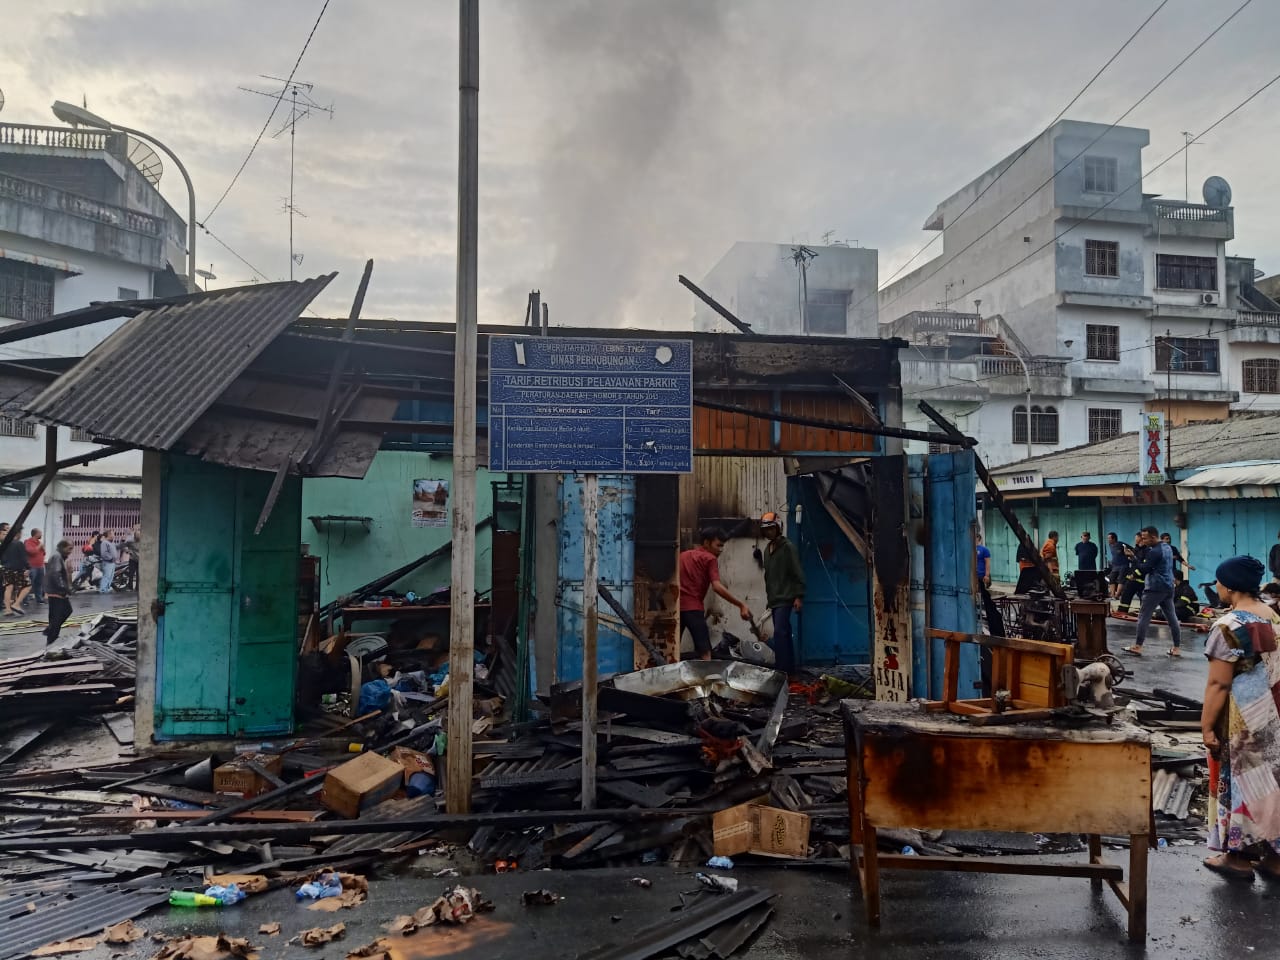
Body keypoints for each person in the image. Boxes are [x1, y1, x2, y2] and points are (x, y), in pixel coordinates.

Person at [1199, 555, 1280, 881]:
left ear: (1229, 586)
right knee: (1273, 784)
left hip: (1243, 721)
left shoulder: (1228, 626)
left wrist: (1205, 726)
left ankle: (1239, 857)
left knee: (1245, 784)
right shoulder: (1273, 617)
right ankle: (1274, 859)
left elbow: (1219, 683)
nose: (1217, 587)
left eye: (1219, 582)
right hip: (1275, 716)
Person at [679, 526, 751, 661]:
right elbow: (717, 586)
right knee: (705, 653)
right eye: (718, 545)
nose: (720, 550)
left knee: (673, 650)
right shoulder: (710, 559)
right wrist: (741, 604)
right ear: (706, 543)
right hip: (694, 608)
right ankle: (708, 681)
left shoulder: (682, 556)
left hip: (677, 609)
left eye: (722, 546)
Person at [1123, 526, 1182, 657]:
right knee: (1172, 617)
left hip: (1155, 588)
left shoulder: (1154, 552)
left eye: (1145, 538)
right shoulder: (1167, 547)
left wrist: (1133, 558)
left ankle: (1138, 646)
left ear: (1154, 537)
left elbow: (1145, 568)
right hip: (1168, 586)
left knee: (1144, 616)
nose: (1143, 541)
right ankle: (1176, 648)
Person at [760, 511, 805, 676]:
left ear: (778, 528)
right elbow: (768, 576)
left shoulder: (788, 547)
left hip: (786, 597)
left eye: (771, 529)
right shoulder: (767, 550)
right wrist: (769, 599)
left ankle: (782, 670)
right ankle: (788, 670)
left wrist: (799, 596)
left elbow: (797, 572)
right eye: (766, 530)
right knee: (783, 633)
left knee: (780, 632)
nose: (769, 532)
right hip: (775, 599)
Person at [43, 540, 74, 646]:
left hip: (57, 590)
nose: (70, 551)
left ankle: (50, 630)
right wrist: (63, 588)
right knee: (56, 617)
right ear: (62, 547)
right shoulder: (57, 557)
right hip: (56, 591)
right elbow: (56, 574)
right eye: (69, 548)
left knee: (66, 611)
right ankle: (51, 637)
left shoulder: (60, 557)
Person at [2, 527, 31, 616]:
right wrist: (28, 568)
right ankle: (16, 604)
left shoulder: (4, 544)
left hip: (6, 568)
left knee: (8, 588)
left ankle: (8, 609)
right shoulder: (19, 544)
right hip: (17, 569)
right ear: (17, 534)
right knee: (27, 586)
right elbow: (24, 558)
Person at [24, 528, 46, 605]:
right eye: (40, 533)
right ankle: (25, 601)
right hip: (32, 567)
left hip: (40, 566)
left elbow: (43, 553)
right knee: (28, 584)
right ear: (35, 534)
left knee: (39, 584)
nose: (41, 535)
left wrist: (42, 548)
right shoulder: (28, 542)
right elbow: (31, 551)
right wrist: (40, 546)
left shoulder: (39, 542)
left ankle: (39, 599)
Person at [1106, 532, 1129, 600]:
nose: (1108, 540)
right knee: (1111, 579)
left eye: (1109, 538)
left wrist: (1127, 554)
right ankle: (1112, 595)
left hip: (1123, 565)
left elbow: (1132, 550)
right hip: (1115, 566)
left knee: (1120, 580)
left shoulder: (1121, 544)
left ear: (1114, 539)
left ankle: (1117, 595)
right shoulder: (1110, 545)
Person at [97, 530, 118, 594]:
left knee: (110, 576)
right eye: (113, 534)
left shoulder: (111, 543)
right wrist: (111, 558)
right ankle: (103, 589)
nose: (114, 536)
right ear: (109, 535)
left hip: (112, 562)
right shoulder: (105, 543)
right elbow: (104, 553)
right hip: (107, 562)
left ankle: (106, 588)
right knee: (106, 576)